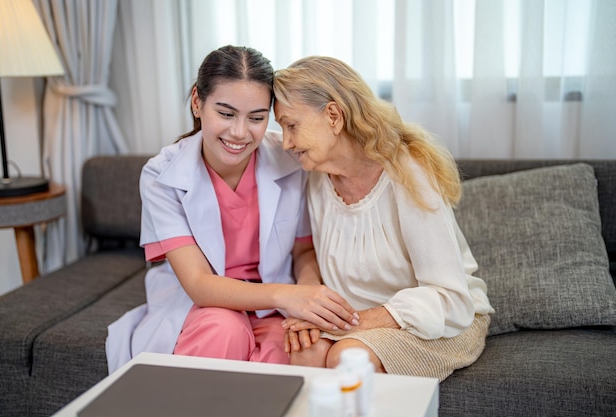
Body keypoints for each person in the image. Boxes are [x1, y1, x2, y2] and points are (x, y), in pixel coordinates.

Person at [105, 46, 358, 373]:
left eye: (257, 118)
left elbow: (303, 250)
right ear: (198, 102)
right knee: (224, 330)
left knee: (293, 350)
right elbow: (198, 283)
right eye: (226, 114)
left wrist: (307, 297)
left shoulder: (292, 159)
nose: (240, 133)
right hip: (203, 307)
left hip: (274, 309)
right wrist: (288, 296)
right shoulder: (162, 175)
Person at [273, 56, 495, 380]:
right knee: (306, 350)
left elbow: (449, 299)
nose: (286, 142)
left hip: (438, 320)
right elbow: (306, 252)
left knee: (349, 358)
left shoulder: (408, 175)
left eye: (291, 126)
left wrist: (344, 323)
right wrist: (310, 301)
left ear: (333, 116)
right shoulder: (317, 176)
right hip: (355, 321)